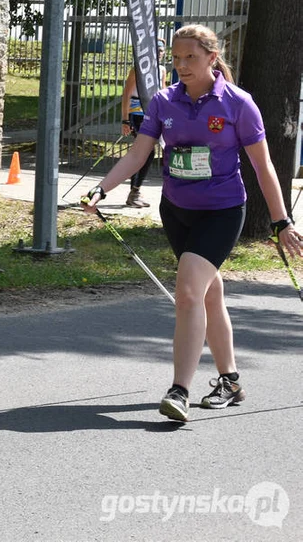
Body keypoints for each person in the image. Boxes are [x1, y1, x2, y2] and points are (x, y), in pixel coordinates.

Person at [83, 24, 303, 423]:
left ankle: (179, 390)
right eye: (177, 58)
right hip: (176, 209)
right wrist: (102, 189)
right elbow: (137, 156)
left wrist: (281, 221)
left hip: (221, 211)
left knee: (187, 292)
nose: (182, 66)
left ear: (212, 59)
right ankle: (230, 380)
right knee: (208, 295)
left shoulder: (238, 104)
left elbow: (264, 166)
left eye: (191, 58)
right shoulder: (164, 102)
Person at [117, 38, 167, 207]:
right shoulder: (137, 71)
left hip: (153, 114)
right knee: (147, 152)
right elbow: (126, 95)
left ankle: (135, 191)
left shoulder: (162, 70)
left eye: (161, 51)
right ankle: (134, 192)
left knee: (149, 152)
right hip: (136, 114)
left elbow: (163, 93)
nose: (159, 54)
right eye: (156, 51)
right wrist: (125, 119)